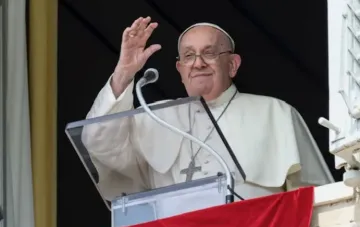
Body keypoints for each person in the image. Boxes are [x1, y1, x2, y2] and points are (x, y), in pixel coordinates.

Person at [81, 16, 334, 201]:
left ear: (233, 65)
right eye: (189, 56)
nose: (198, 63)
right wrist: (124, 73)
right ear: (180, 70)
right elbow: (98, 143)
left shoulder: (275, 113)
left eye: (209, 53)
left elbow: (317, 200)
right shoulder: (154, 117)